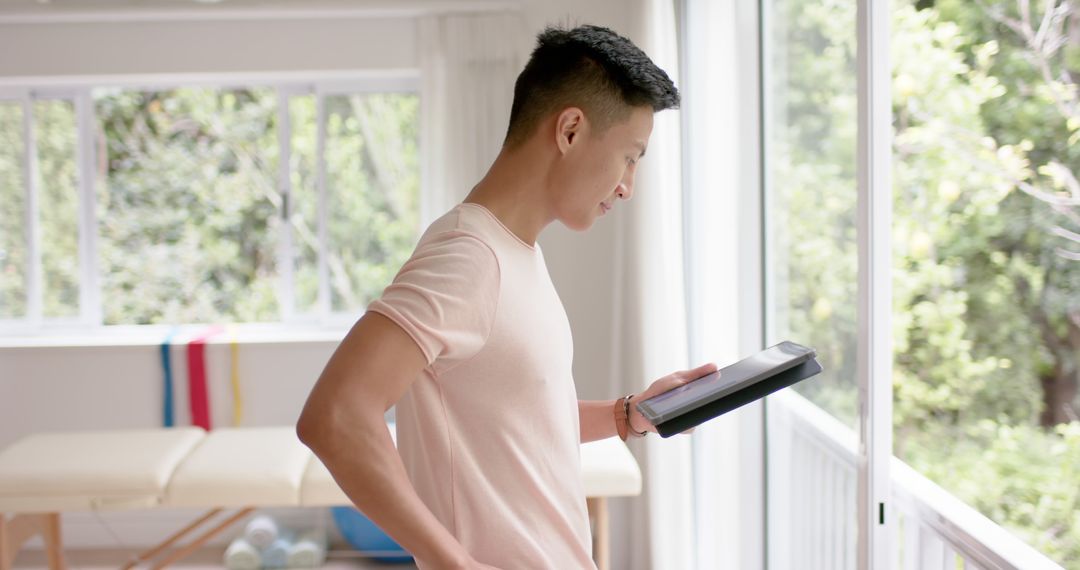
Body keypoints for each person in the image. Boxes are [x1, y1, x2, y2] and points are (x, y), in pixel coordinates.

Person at [296, 24, 718, 570]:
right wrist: (452, 561)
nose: (627, 186)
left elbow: (518, 422)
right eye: (630, 157)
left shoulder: (513, 253)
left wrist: (629, 414)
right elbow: (335, 416)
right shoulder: (468, 258)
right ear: (569, 130)